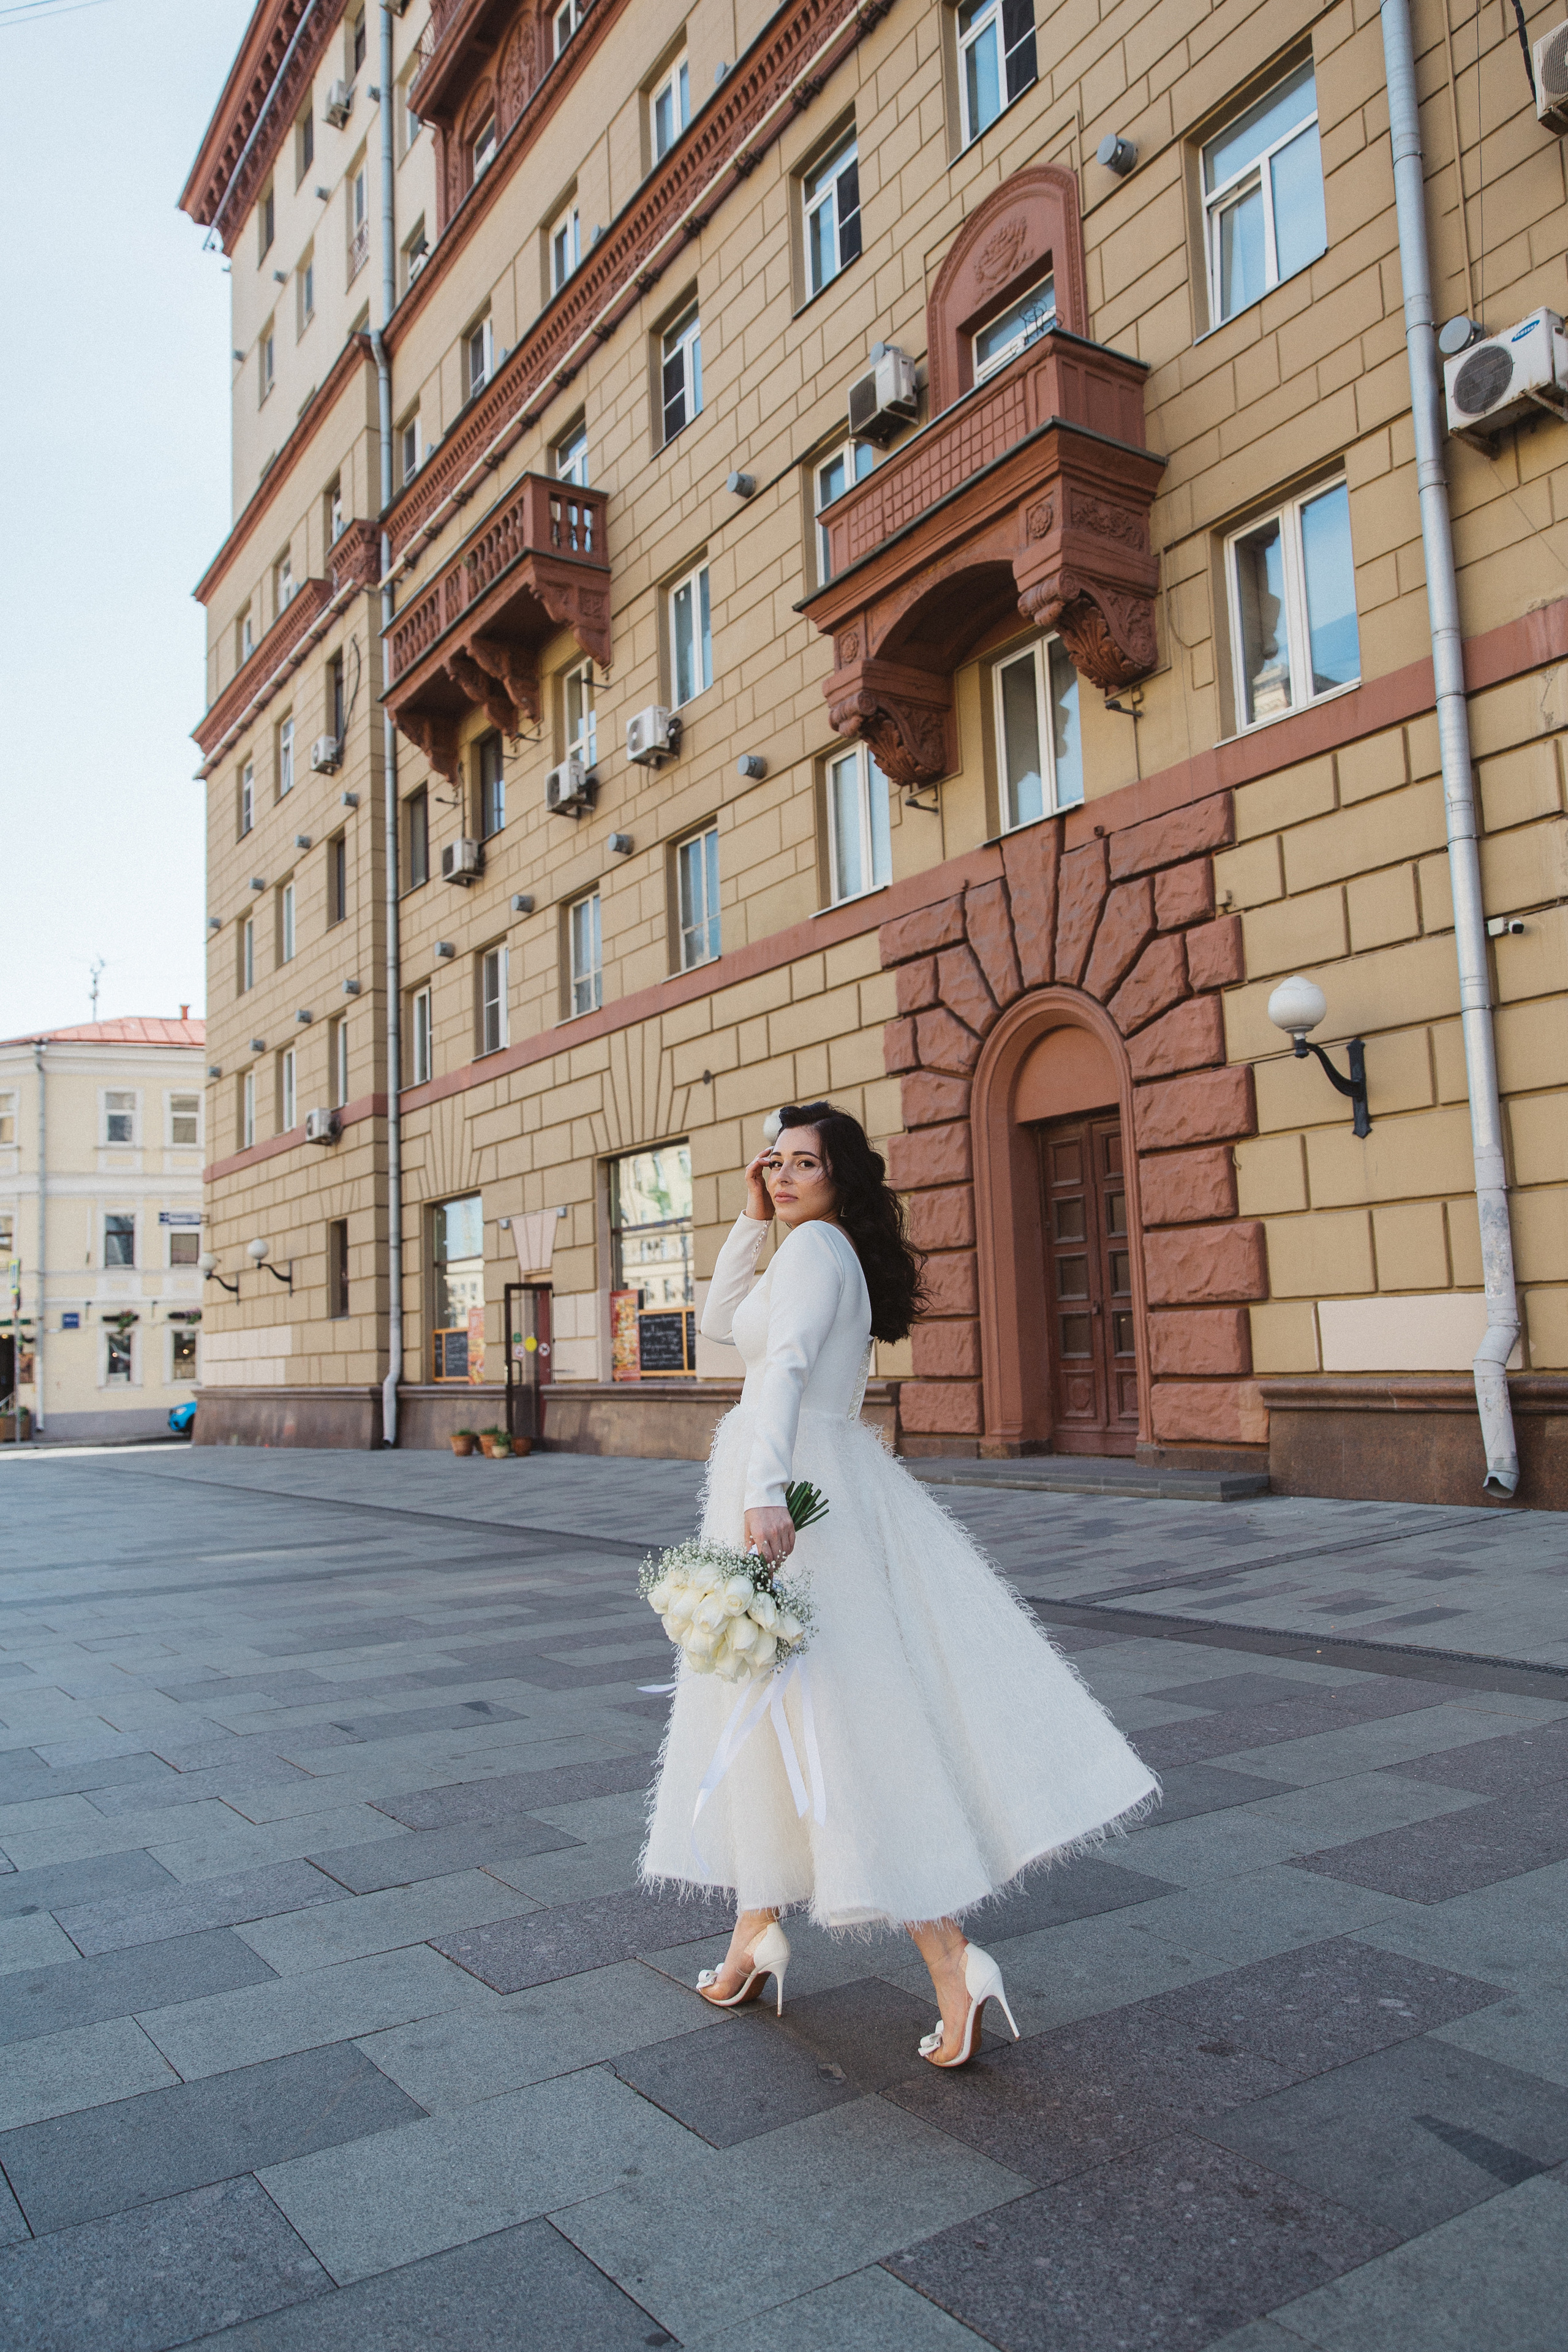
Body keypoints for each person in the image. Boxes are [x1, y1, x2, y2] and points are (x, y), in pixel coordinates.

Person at [641, 1101, 1158, 2066]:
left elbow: (784, 1369)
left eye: (806, 1164)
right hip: (804, 1482)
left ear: (843, 1177)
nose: (787, 1175)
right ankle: (755, 1935)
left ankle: (952, 1960)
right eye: (777, 1162)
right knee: (775, 1711)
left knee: (835, 1718)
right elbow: (723, 1326)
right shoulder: (811, 1248)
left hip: (793, 1493)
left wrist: (762, 1495)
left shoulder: (815, 1254)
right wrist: (753, 1218)